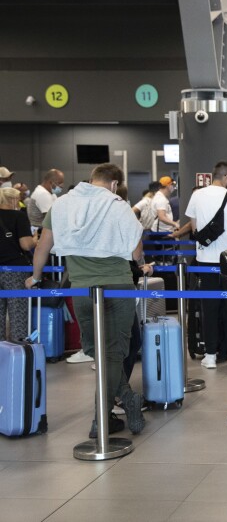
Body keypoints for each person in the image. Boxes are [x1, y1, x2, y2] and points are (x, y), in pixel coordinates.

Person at [28, 163, 146, 438]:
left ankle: (103, 418)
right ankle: (123, 402)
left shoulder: (62, 204)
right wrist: (140, 263)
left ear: (91, 179)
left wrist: (35, 277)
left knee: (94, 349)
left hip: (81, 288)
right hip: (118, 287)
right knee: (113, 353)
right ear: (115, 184)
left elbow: (43, 246)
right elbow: (135, 248)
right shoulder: (118, 205)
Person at [185, 161, 227, 369]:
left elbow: (194, 229)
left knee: (208, 308)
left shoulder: (197, 196)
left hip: (204, 262)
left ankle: (210, 355)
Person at [0, 187, 35, 342]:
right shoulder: (18, 216)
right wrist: (36, 240)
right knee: (18, 312)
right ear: (14, 200)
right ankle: (19, 351)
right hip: (15, 269)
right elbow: (26, 245)